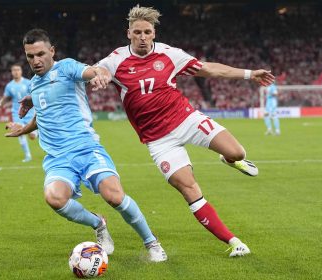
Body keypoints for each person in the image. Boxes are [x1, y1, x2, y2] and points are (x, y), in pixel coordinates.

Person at [94, 6, 275, 257]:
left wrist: (249, 74)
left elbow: (209, 69)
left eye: (147, 32)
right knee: (190, 190)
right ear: (129, 34)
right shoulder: (116, 59)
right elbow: (99, 70)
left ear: (154, 32)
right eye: (138, 32)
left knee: (237, 152)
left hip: (186, 119)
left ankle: (229, 159)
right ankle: (234, 242)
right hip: (159, 141)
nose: (143, 37)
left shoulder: (170, 54)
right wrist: (100, 75)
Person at [6, 28, 167, 262]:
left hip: (86, 149)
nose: (35, 60)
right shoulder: (34, 85)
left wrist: (98, 74)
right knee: (54, 198)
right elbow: (43, 113)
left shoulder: (67, 67)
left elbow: (89, 71)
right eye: (30, 56)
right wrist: (25, 128)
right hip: (58, 158)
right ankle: (98, 224)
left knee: (114, 196)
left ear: (52, 51)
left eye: (40, 54)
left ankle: (152, 243)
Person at [0, 64, 36, 162]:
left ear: (21, 71)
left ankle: (32, 131)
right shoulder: (9, 86)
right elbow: (6, 97)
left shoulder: (28, 83)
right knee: (19, 132)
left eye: (18, 69)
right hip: (17, 113)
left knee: (32, 136)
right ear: (11, 72)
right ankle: (28, 155)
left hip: (29, 112)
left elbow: (35, 94)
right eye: (14, 70)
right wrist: (0, 103)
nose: (16, 72)